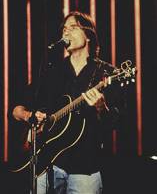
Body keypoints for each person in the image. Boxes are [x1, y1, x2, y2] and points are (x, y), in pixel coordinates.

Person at [11, 11, 123, 193]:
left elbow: (119, 121)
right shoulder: (52, 72)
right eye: (64, 29)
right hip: (48, 163)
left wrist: (101, 107)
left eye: (73, 28)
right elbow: (15, 109)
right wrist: (31, 117)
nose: (66, 33)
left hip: (85, 167)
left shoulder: (107, 73)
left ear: (88, 35)